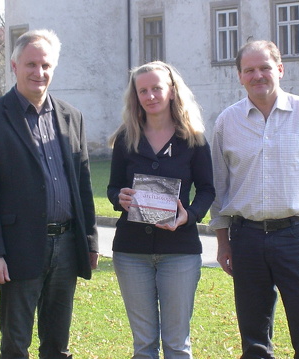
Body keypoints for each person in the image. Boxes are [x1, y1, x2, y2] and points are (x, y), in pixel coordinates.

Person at [0, 29, 99, 359]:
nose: (38, 73)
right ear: (14, 65)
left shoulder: (71, 117)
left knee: (58, 345)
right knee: (16, 344)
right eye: (30, 64)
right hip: (17, 249)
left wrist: (90, 241)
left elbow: (83, 184)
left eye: (45, 65)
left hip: (67, 245)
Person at [210, 40, 299, 358]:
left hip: (295, 236)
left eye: (264, 67)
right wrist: (223, 242)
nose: (257, 75)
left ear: (280, 68)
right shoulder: (226, 123)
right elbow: (219, 189)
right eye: (249, 70)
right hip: (245, 237)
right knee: (254, 339)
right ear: (239, 76)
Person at [107, 61, 215, 358]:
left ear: (171, 91)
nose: (150, 95)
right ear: (136, 96)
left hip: (179, 251)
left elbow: (207, 190)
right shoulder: (126, 139)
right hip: (131, 253)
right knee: (143, 345)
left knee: (177, 344)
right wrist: (121, 198)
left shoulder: (193, 139)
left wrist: (189, 215)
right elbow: (113, 188)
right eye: (143, 90)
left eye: (157, 88)